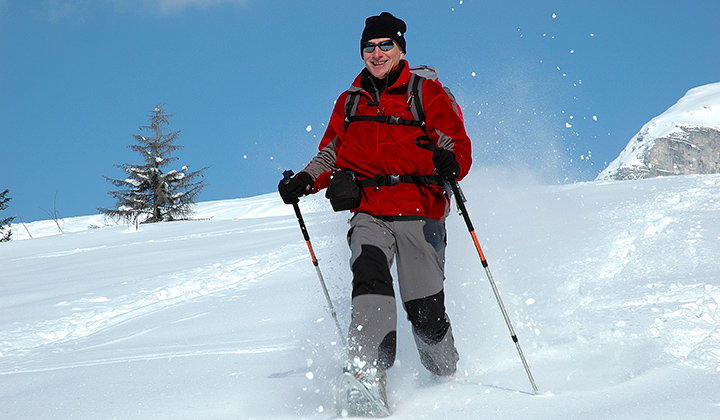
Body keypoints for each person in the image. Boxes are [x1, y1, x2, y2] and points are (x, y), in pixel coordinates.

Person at [278, 12, 472, 413]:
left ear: (401, 49)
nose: (377, 53)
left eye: (385, 45)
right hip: (369, 212)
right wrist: (305, 179)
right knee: (369, 282)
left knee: (425, 312)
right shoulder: (350, 101)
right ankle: (367, 374)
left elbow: (455, 143)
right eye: (369, 46)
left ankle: (447, 378)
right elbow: (333, 151)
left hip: (420, 212)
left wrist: (450, 162)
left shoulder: (426, 93)